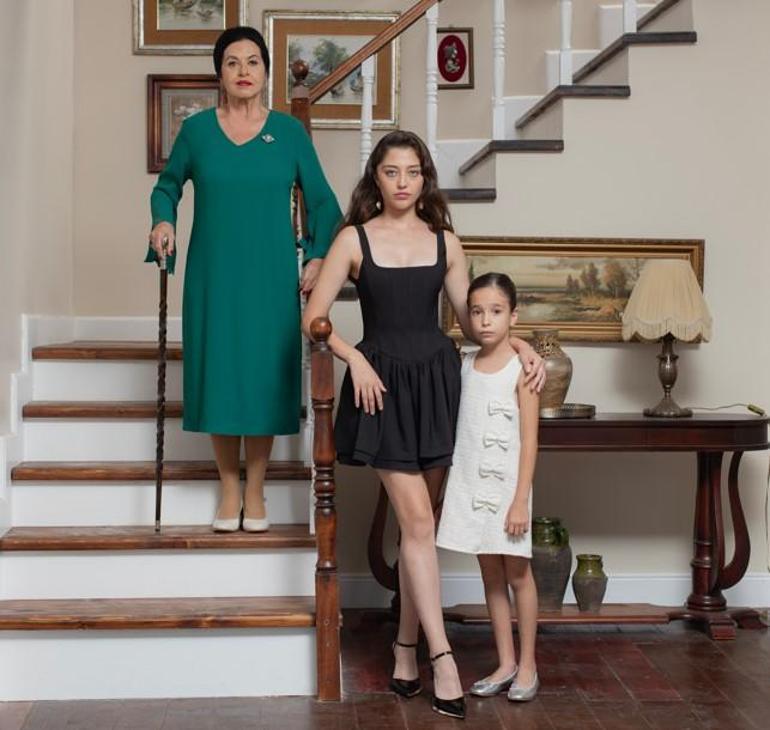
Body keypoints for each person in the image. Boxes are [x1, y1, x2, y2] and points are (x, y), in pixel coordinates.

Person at [302, 131, 544, 719]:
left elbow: (473, 321)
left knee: (422, 528)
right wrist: (355, 358)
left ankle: (405, 649)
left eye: (413, 172)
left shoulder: (446, 242)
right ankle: (444, 659)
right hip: (381, 388)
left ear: (425, 178)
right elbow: (314, 318)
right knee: (415, 524)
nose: (403, 182)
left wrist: (520, 343)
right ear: (376, 178)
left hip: (438, 385)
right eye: (392, 172)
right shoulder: (353, 239)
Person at [146, 27, 341, 533]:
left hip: (270, 275)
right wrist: (163, 221)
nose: (243, 71)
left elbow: (323, 202)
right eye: (232, 62)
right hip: (212, 274)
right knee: (218, 374)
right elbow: (167, 187)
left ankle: (255, 488)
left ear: (266, 72)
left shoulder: (289, 133)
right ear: (220, 74)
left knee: (262, 378)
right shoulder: (196, 132)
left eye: (253, 61)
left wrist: (317, 256)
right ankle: (228, 487)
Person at [436, 272, 540, 702]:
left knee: (517, 573)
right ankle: (505, 662)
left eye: (496, 311)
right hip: (471, 485)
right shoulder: (464, 365)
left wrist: (520, 502)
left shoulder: (523, 369)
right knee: (490, 574)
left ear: (513, 316)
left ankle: (528, 666)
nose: (485, 320)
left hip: (509, 490)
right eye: (477, 312)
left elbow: (530, 440)